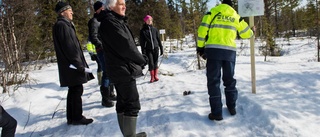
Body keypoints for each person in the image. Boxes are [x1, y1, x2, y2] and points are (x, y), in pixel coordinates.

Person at [197, 0, 254, 121]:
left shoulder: (212, 12)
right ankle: (232, 106)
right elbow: (245, 33)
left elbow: (202, 31)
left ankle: (217, 112)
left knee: (214, 81)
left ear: (221, 3)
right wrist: (252, 31)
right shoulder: (235, 15)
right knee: (229, 80)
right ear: (231, 5)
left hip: (213, 51)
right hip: (229, 52)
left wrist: (200, 48)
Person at [97, 0, 147, 136]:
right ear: (111, 6)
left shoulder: (114, 20)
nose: (124, 6)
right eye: (120, 4)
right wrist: (142, 59)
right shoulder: (110, 22)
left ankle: (128, 134)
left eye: (124, 3)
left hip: (119, 68)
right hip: (121, 69)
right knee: (132, 103)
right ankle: (130, 135)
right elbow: (126, 46)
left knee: (123, 102)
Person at [52, 1, 94, 125]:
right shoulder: (63, 25)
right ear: (63, 12)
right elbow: (69, 47)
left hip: (69, 64)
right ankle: (76, 117)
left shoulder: (63, 24)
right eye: (70, 10)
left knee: (74, 89)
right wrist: (78, 65)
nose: (72, 12)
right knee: (76, 89)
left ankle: (71, 117)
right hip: (72, 65)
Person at [88, 1, 116, 108]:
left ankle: (111, 93)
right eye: (102, 7)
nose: (104, 9)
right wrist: (102, 46)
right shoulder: (94, 21)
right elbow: (93, 37)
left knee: (111, 71)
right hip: (101, 50)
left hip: (109, 49)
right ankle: (105, 98)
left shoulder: (104, 19)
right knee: (106, 72)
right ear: (98, 9)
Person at [139, 15, 164, 83]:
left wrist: (161, 48)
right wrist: (143, 52)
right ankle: (152, 77)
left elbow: (158, 39)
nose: (150, 21)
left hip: (156, 48)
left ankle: (156, 76)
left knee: (155, 62)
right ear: (145, 21)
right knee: (151, 63)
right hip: (148, 49)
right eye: (148, 20)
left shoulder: (155, 29)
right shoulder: (143, 31)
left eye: (151, 20)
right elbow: (142, 42)